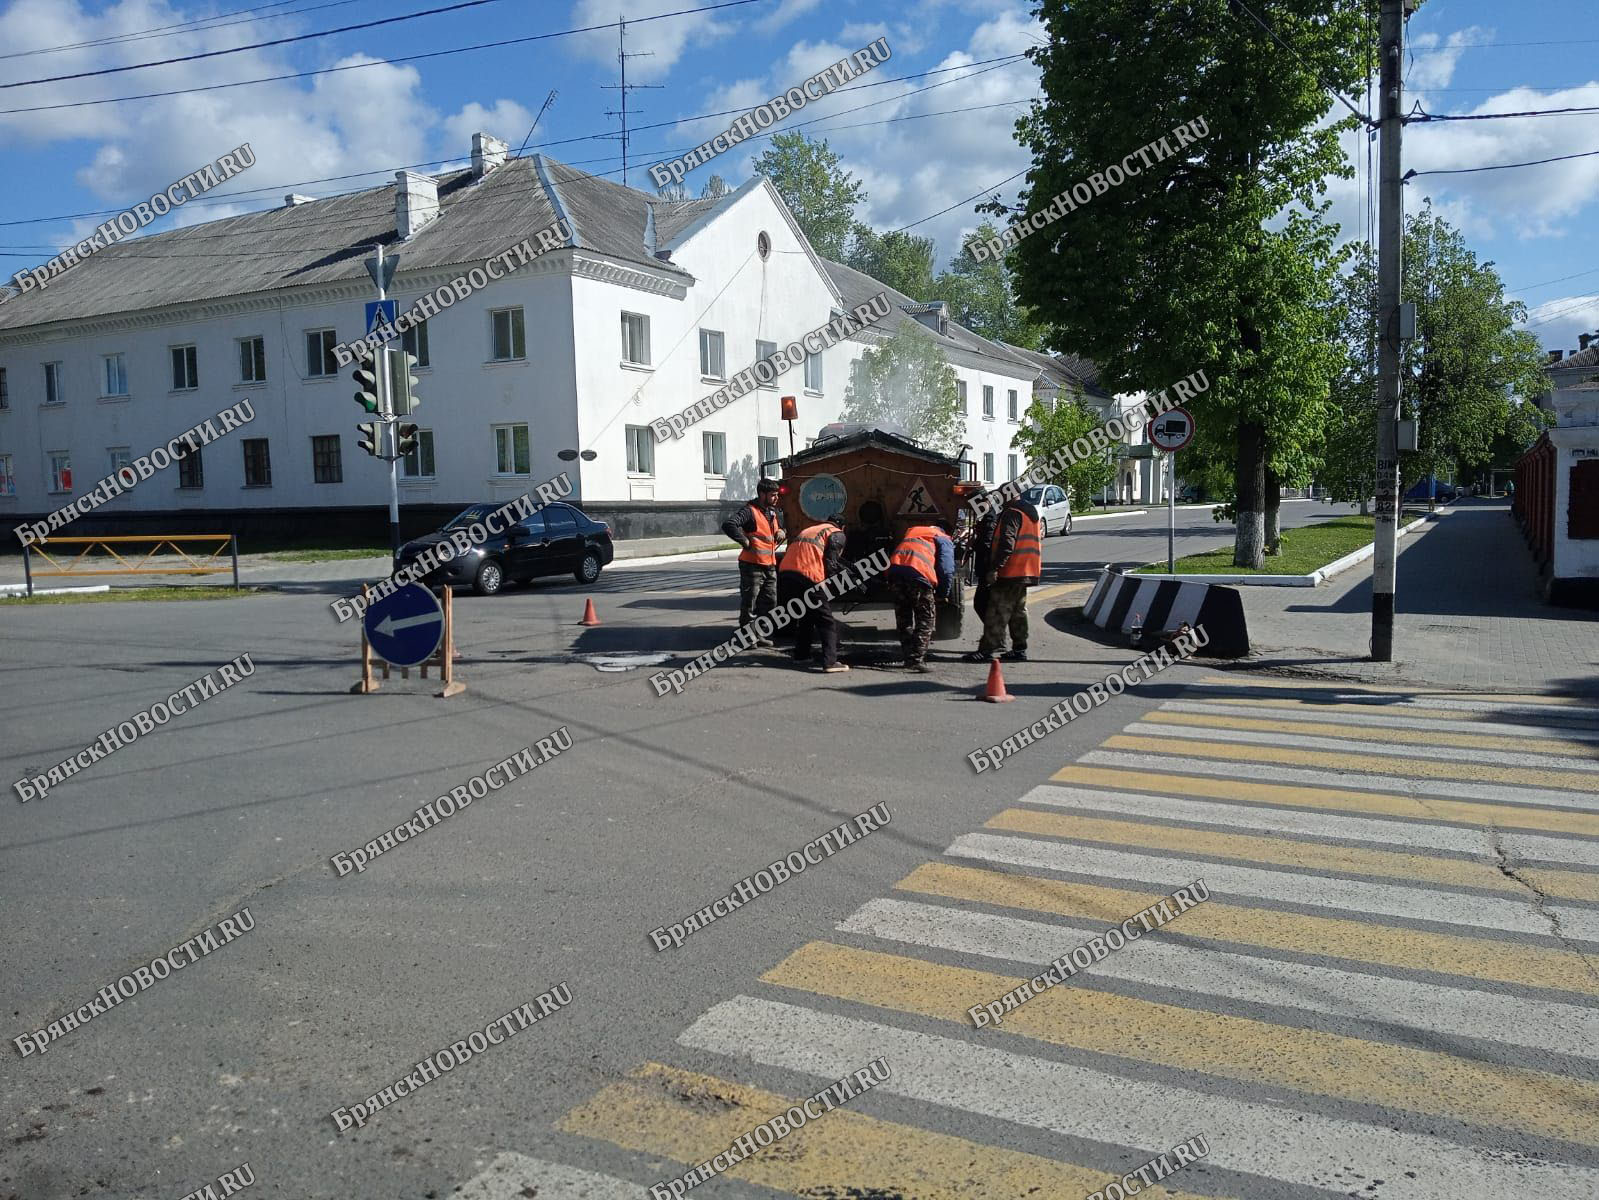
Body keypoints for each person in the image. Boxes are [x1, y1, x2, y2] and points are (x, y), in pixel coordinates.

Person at [965, 491, 1040, 663]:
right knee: (1017, 612)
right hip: (1025, 571)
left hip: (1010, 571)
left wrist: (995, 568)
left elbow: (1007, 543)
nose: (999, 500)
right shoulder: (1030, 513)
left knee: (997, 611)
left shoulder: (1012, 513)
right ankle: (1019, 649)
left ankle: (986, 650)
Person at [777, 513, 849, 672]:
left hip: (786, 575)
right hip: (808, 575)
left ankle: (801, 655)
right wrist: (830, 586)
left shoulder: (812, 529)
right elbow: (831, 563)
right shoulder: (836, 533)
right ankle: (830, 662)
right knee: (826, 621)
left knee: (807, 616)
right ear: (842, 526)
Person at [887, 517, 955, 672]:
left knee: (903, 618)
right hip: (918, 576)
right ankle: (916, 659)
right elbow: (946, 569)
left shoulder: (913, 532)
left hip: (894, 573)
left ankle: (907, 655)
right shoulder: (943, 538)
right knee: (925, 618)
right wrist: (943, 593)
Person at [722, 478, 785, 644]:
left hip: (769, 565)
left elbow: (773, 530)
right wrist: (744, 541)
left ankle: (758, 634)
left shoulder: (771, 512)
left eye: (777, 495)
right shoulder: (749, 511)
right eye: (773, 495)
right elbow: (729, 524)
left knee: (769, 602)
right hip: (752, 566)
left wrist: (781, 532)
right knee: (750, 602)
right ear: (762, 494)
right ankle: (746, 638)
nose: (776, 498)